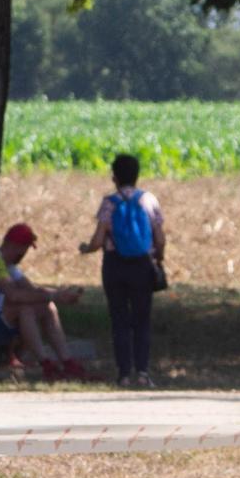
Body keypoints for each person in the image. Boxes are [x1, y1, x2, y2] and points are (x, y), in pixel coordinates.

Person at [0, 224, 87, 381]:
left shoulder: (8, 265)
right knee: (23, 307)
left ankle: (67, 361)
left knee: (46, 306)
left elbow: (33, 291)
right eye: (25, 249)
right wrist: (54, 296)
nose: (24, 254)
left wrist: (59, 294)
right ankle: (45, 363)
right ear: (16, 246)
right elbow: (14, 295)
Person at [78, 153, 166, 388]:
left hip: (115, 264)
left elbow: (99, 239)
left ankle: (124, 374)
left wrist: (87, 249)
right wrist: (159, 258)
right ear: (137, 176)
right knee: (142, 320)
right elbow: (160, 236)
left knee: (119, 319)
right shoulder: (148, 200)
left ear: (114, 177)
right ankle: (143, 372)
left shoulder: (109, 203)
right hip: (142, 266)